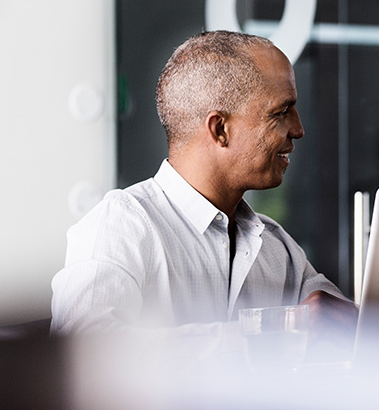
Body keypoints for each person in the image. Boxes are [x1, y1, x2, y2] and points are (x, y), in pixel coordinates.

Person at [50, 30, 358, 360]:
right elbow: (81, 356)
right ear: (219, 129)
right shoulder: (121, 225)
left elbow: (348, 328)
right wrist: (262, 336)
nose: (298, 129)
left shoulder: (276, 247)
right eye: (281, 112)